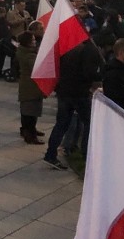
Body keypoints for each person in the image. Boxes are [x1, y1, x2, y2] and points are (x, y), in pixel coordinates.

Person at [43, 37, 103, 170]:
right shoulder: (89, 50)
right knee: (89, 122)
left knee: (61, 124)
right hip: (79, 92)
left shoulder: (71, 48)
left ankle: (51, 154)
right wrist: (101, 77)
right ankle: (86, 153)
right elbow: (89, 73)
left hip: (64, 90)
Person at [16, 31, 46, 144]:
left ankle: (27, 130)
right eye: (32, 40)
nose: (34, 42)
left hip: (26, 85)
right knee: (31, 112)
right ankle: (30, 135)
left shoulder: (23, 51)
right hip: (31, 86)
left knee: (26, 110)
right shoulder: (30, 55)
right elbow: (36, 69)